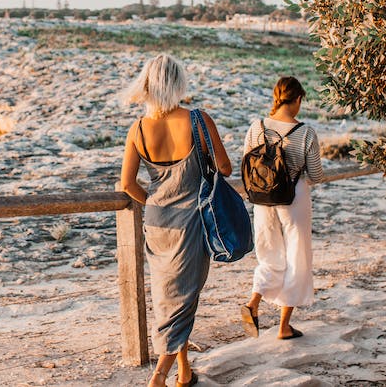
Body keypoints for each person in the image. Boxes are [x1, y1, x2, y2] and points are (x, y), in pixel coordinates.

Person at [119, 54, 232, 387]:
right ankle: (158, 376)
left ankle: (184, 371)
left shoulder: (138, 128)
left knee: (169, 296)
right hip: (191, 222)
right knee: (184, 298)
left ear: (148, 85)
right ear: (178, 82)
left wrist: (155, 202)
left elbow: (127, 184)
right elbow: (225, 168)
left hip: (156, 222)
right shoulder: (198, 120)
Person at [240, 76, 324, 340]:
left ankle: (254, 302)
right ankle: (283, 326)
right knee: (296, 257)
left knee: (269, 254)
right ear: (298, 99)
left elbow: (245, 161)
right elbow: (316, 175)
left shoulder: (257, 126)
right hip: (294, 198)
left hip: (263, 199)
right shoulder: (306, 132)